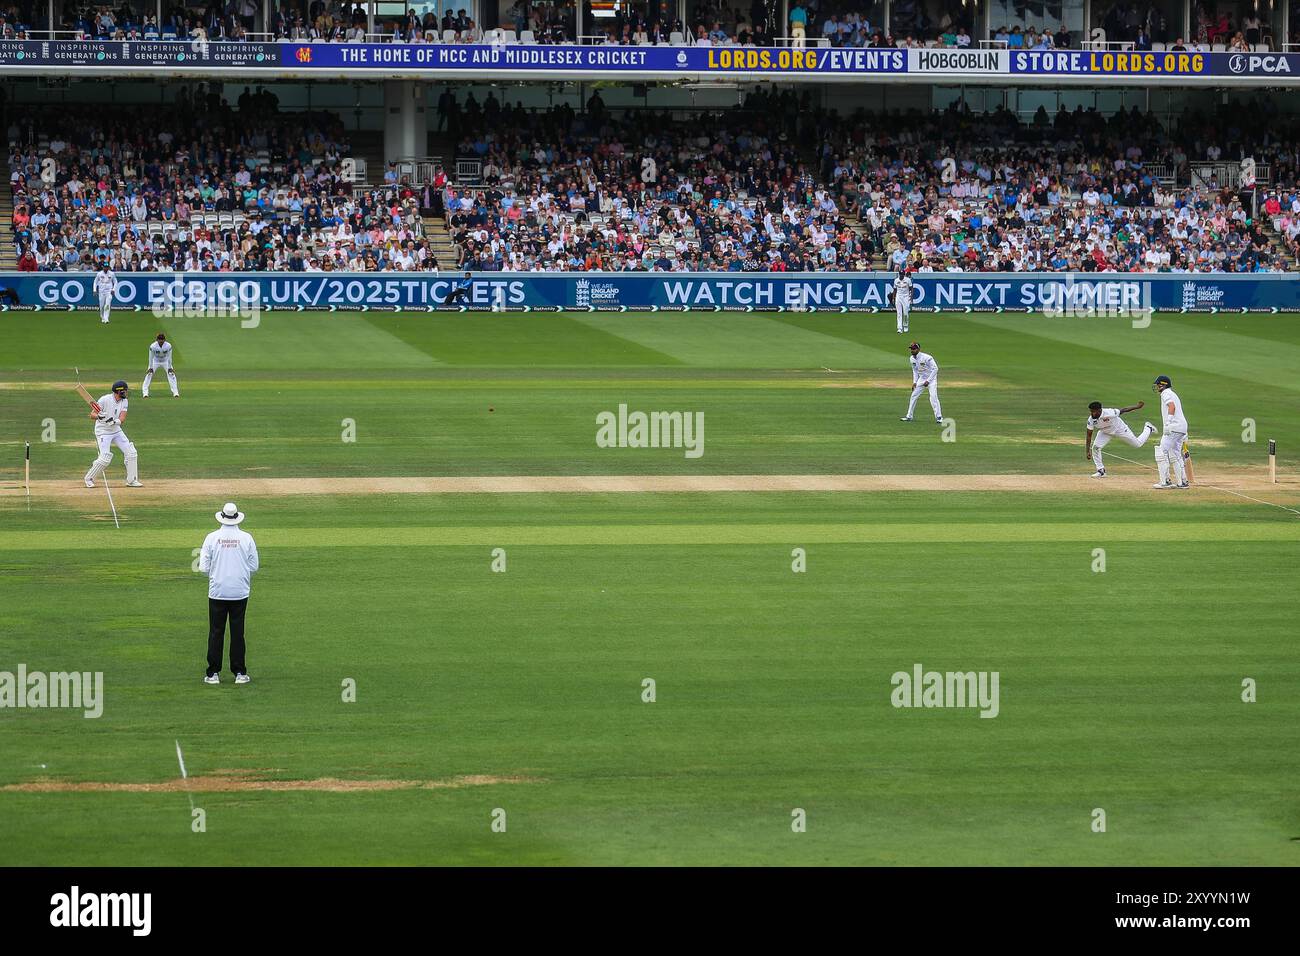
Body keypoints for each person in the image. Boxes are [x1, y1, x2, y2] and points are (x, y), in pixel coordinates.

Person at [199, 502, 260, 685]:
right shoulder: (247, 538)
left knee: (216, 632)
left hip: (217, 590)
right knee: (237, 632)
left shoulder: (211, 538)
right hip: (239, 591)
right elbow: (254, 566)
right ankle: (240, 673)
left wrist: (217, 572)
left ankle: (213, 674)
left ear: (222, 517)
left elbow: (203, 567)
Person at [83, 380, 142, 488]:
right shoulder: (104, 400)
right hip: (103, 432)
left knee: (131, 453)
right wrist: (99, 417)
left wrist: (115, 422)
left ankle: (131, 480)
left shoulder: (125, 401)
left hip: (116, 430)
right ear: (119, 391)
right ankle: (89, 478)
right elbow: (92, 415)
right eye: (125, 391)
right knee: (105, 457)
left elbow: (122, 418)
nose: (127, 393)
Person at [1084, 400, 1155, 478]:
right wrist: (1087, 451)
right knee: (1095, 447)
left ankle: (1148, 428)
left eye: (1094, 412)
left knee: (1137, 444)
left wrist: (1137, 406)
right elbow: (1089, 436)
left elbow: (1123, 410)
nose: (1092, 414)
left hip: (1119, 429)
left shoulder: (1109, 412)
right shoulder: (1091, 420)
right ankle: (1101, 471)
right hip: (1105, 432)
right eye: (1091, 411)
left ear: (1100, 410)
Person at [1151, 374, 1189, 489]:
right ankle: (1182, 482)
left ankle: (1165, 481)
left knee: (1161, 451)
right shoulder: (1173, 393)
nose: (1157, 387)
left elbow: (1172, 407)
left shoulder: (1165, 393)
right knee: (1175, 454)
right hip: (1181, 427)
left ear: (1163, 385)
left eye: (1158, 385)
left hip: (1173, 427)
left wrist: (1168, 423)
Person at [901, 341, 943, 423]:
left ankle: (939, 417)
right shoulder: (912, 359)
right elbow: (915, 371)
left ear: (918, 349)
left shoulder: (927, 357)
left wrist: (928, 380)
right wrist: (914, 382)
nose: (912, 350)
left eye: (914, 349)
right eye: (911, 349)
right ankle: (909, 416)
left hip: (931, 379)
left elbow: (935, 369)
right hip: (922, 378)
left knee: (933, 397)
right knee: (913, 396)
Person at [142, 332, 180, 398]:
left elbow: (169, 357)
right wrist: (150, 367)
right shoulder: (153, 346)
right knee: (149, 374)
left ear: (164, 340)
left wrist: (170, 367)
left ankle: (175, 393)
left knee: (171, 374)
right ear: (157, 340)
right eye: (160, 341)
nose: (161, 343)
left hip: (165, 361)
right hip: (155, 361)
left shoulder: (168, 345)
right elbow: (150, 357)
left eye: (162, 341)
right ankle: (145, 393)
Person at [891, 267, 913, 333]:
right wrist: (893, 298)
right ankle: (899, 328)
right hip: (898, 296)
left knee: (905, 312)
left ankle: (905, 326)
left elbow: (911, 288)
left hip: (906, 297)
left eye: (902, 274)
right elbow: (894, 290)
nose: (901, 276)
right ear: (899, 274)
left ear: (904, 274)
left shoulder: (908, 280)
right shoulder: (896, 280)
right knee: (899, 313)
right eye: (900, 274)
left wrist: (911, 297)